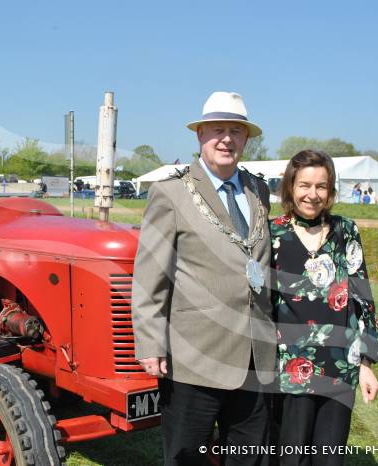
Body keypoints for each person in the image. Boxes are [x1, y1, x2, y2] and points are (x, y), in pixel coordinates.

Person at [132, 91, 275, 466]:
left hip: (255, 357)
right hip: (195, 355)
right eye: (218, 130)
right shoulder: (170, 193)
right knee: (187, 458)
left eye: (236, 131)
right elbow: (150, 276)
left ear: (246, 139)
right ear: (200, 135)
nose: (227, 139)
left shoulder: (258, 191)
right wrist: (150, 343)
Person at [270, 150, 378, 466]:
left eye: (321, 186)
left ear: (330, 190)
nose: (312, 194)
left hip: (340, 366)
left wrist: (366, 365)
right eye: (304, 185)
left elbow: (363, 297)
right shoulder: (272, 232)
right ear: (290, 186)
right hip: (289, 369)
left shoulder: (346, 230)